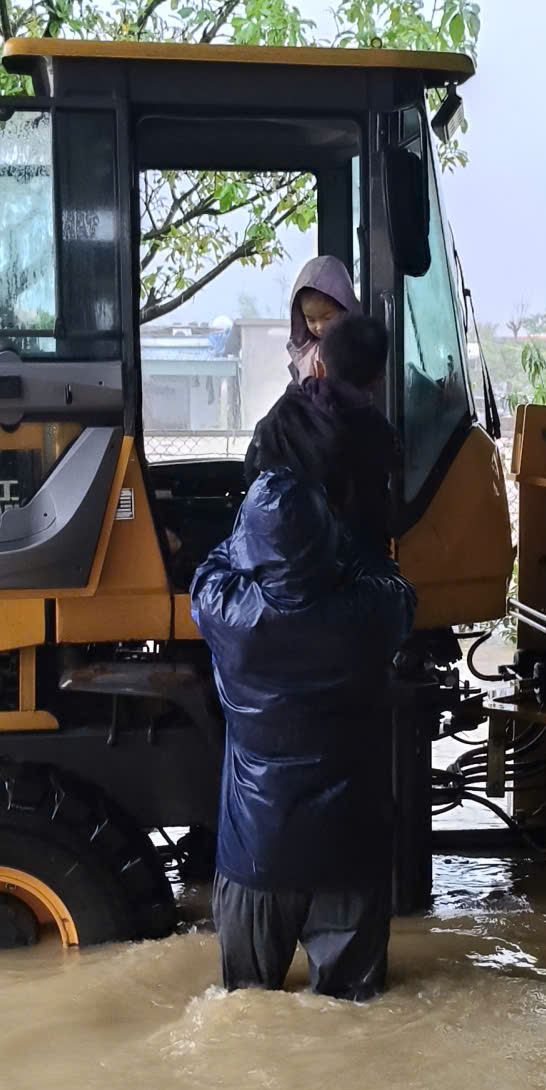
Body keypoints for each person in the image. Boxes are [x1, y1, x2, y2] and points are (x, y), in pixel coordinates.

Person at [191, 471, 415, 1000]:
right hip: (348, 851)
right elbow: (396, 586)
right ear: (327, 541)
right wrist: (343, 542)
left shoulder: (228, 613)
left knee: (244, 1007)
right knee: (351, 1016)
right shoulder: (368, 615)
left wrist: (253, 538)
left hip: (255, 854)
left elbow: (210, 567)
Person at [244, 311, 397, 554]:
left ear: (319, 366)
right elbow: (376, 512)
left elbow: (253, 468)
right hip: (350, 567)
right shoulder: (380, 433)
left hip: (285, 558)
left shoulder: (286, 409)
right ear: (379, 379)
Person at [285, 254, 360, 385]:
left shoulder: (358, 348)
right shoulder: (306, 352)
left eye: (327, 318)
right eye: (311, 320)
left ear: (345, 310)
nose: (319, 327)